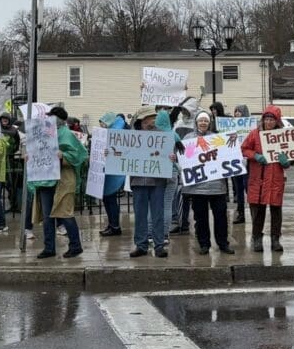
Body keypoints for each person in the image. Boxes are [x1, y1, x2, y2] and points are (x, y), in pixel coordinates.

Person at [29, 106, 88, 259]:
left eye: (52, 116)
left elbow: (80, 154)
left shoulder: (66, 134)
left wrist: (64, 156)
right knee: (48, 216)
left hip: (63, 179)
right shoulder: (42, 133)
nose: (49, 119)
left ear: (60, 119)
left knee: (65, 213)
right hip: (45, 180)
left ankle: (75, 246)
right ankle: (49, 247)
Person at [182, 111, 235, 255]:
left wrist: (233, 141)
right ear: (196, 122)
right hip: (197, 187)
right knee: (200, 218)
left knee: (221, 217)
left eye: (206, 120)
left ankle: (223, 243)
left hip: (217, 186)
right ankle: (204, 244)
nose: (203, 123)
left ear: (209, 122)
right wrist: (177, 157)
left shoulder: (216, 138)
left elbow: (227, 153)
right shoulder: (189, 139)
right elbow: (186, 158)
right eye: (201, 121)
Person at [129, 107, 179, 258]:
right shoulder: (131, 136)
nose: (153, 119)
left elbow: (170, 155)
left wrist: (172, 157)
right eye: (150, 117)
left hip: (157, 180)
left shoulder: (162, 135)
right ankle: (141, 245)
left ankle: (159, 246)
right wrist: (111, 153)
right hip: (138, 180)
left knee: (158, 213)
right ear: (142, 120)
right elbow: (121, 154)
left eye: (153, 117)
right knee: (140, 214)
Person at [241, 105, 292, 253]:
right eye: (267, 119)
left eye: (272, 119)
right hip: (259, 179)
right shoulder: (254, 134)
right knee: (258, 210)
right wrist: (255, 156)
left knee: (276, 210)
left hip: (276, 179)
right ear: (263, 120)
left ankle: (275, 239)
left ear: (277, 121)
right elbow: (244, 149)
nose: (269, 122)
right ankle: (257, 238)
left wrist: (287, 161)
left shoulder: (283, 136)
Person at [97, 112, 127, 237]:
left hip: (114, 172)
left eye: (103, 123)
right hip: (109, 171)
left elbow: (120, 152)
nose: (102, 126)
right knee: (108, 198)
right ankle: (112, 224)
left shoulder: (117, 132)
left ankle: (114, 226)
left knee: (110, 199)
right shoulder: (114, 130)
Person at [230, 104, 251, 224]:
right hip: (235, 162)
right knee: (238, 190)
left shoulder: (250, 128)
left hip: (247, 162)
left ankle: (254, 211)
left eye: (239, 111)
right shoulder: (231, 127)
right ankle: (240, 213)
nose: (237, 114)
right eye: (236, 111)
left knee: (248, 187)